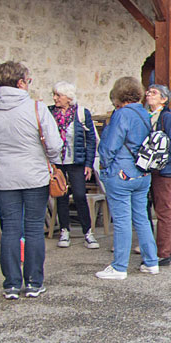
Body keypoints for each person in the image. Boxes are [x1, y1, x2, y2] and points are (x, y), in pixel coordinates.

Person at [0, 61, 62, 299]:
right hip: (34, 173)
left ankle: (11, 284)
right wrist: (51, 159)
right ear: (20, 83)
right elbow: (54, 144)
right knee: (34, 228)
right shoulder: (36, 108)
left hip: (4, 175)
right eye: (28, 80)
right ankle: (34, 282)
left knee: (10, 228)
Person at [95, 76, 159, 279]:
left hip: (122, 172)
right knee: (141, 218)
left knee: (122, 220)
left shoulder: (122, 114)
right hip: (142, 172)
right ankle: (151, 261)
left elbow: (109, 146)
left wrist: (105, 166)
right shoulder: (144, 113)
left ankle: (119, 266)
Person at [48, 81, 99, 249]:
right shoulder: (49, 112)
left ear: (68, 98)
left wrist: (88, 164)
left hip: (76, 161)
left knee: (79, 195)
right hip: (57, 161)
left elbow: (91, 140)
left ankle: (88, 232)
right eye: (54, 95)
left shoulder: (82, 113)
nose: (55, 98)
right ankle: (64, 230)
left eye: (59, 95)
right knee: (61, 195)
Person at [145, 84, 171, 267]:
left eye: (154, 93)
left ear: (164, 99)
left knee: (163, 210)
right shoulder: (147, 116)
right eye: (148, 92)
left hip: (163, 170)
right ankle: (149, 246)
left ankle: (164, 252)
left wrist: (161, 161)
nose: (149, 95)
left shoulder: (167, 117)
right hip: (148, 169)